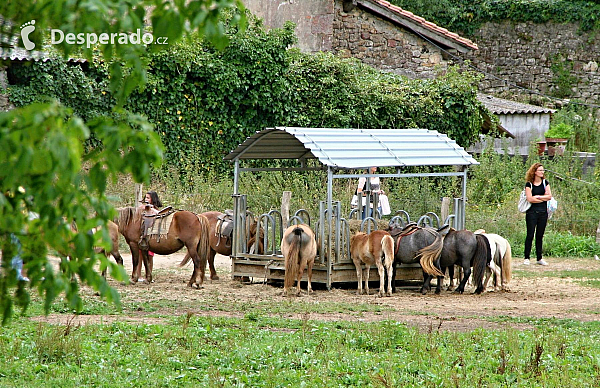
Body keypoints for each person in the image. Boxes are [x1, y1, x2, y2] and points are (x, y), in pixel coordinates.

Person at [523, 163, 551, 266]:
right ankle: (527, 257)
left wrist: (537, 197)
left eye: (543, 170)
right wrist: (542, 198)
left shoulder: (545, 183)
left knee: (540, 235)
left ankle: (539, 257)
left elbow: (549, 196)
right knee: (530, 234)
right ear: (535, 172)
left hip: (543, 213)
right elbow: (529, 198)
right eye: (540, 170)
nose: (542, 172)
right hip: (531, 213)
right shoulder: (529, 184)